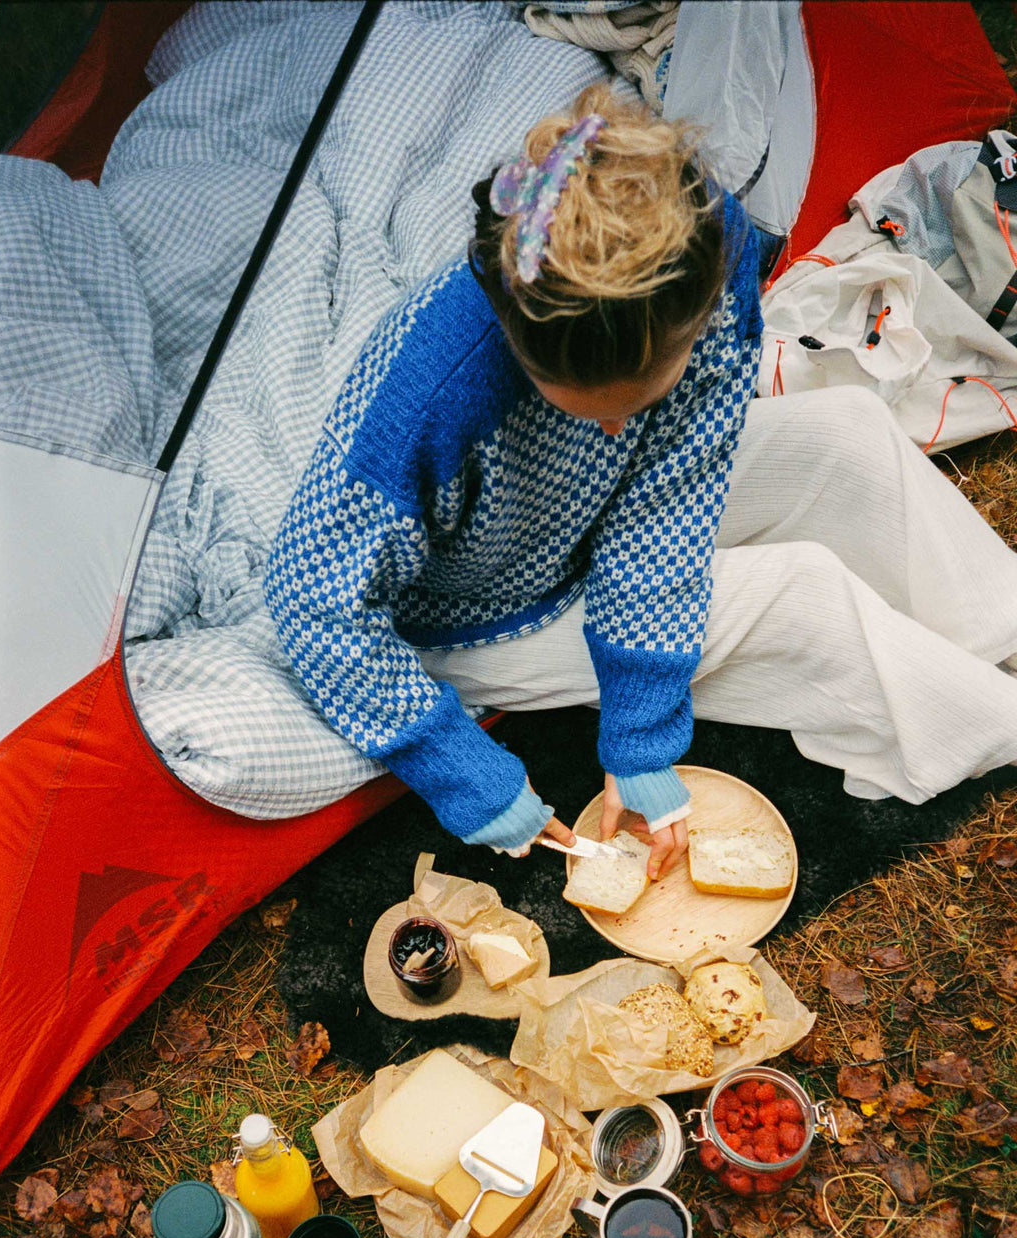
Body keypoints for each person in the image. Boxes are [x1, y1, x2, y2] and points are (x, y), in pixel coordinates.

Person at [265, 83, 1017, 881]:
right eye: (592, 413)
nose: (622, 430)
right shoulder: (425, 400)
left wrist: (637, 730)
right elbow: (313, 604)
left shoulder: (706, 248)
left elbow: (669, 498)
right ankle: (988, 722)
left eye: (643, 401)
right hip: (479, 606)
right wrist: (465, 772)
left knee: (851, 434)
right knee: (800, 591)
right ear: (523, 356)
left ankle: (997, 634)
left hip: (587, 517)